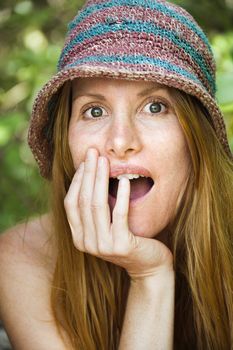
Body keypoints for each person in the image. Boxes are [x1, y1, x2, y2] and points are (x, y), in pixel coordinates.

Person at [0, 0, 232, 349]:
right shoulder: (22, 257)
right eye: (94, 111)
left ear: (196, 138)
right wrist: (150, 275)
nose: (121, 141)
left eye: (155, 106)